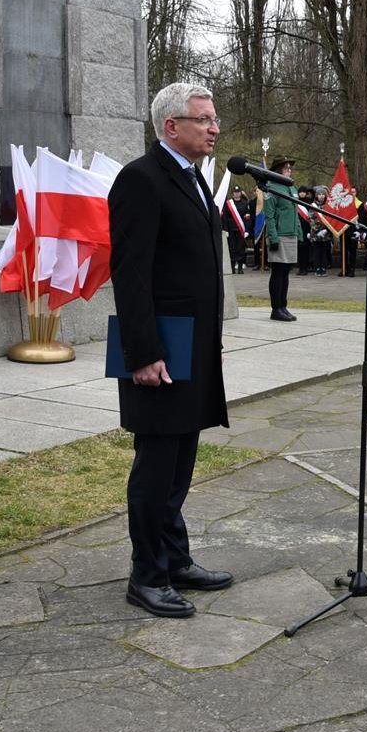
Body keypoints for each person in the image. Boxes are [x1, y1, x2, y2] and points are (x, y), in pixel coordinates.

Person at [107, 82, 234, 619]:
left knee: (180, 460)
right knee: (156, 464)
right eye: (203, 119)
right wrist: (143, 353)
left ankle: (174, 558)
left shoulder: (194, 179)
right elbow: (130, 274)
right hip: (157, 347)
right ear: (170, 127)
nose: (214, 128)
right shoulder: (141, 179)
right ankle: (146, 574)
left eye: (214, 119)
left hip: (192, 342)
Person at [261, 157, 300, 321]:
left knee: (286, 273)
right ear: (277, 170)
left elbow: (294, 211)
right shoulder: (272, 188)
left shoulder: (291, 188)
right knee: (278, 273)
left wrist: (299, 231)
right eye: (286, 168)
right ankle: (275, 308)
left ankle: (283, 306)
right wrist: (273, 237)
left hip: (291, 234)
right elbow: (269, 216)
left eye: (290, 168)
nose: (289, 170)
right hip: (280, 235)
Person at [222, 186, 249, 274]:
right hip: (231, 230)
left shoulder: (245, 203)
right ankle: (232, 267)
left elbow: (247, 218)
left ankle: (240, 268)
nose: (236, 193)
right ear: (232, 193)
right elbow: (225, 217)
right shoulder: (228, 203)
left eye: (238, 192)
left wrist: (247, 230)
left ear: (241, 193)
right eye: (235, 192)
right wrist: (225, 229)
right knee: (232, 249)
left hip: (241, 230)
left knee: (240, 249)